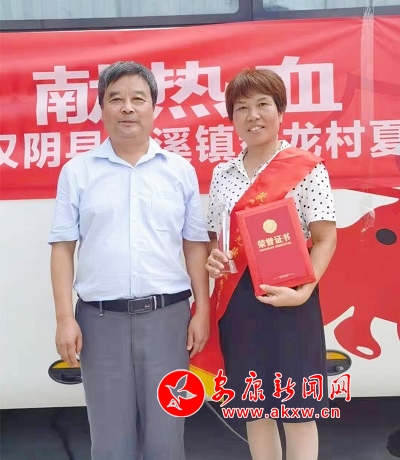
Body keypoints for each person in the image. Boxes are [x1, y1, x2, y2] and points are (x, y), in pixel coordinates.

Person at [48, 61, 210, 460]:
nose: (127, 107)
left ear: (153, 107)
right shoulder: (78, 172)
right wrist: (65, 318)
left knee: (166, 439)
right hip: (99, 323)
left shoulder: (179, 171)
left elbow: (194, 244)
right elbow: (63, 247)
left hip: (169, 320)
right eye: (115, 98)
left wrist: (203, 310)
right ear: (101, 107)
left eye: (138, 98)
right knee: (110, 442)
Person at [200, 68, 337, 460]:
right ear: (232, 118)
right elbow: (215, 239)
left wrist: (304, 292)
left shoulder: (306, 167)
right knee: (253, 408)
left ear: (280, 111)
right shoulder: (222, 174)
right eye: (242, 108)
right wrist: (214, 259)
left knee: (297, 409)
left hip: (291, 296)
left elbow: (325, 238)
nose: (253, 115)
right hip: (237, 304)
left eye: (263, 104)